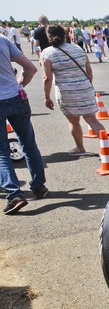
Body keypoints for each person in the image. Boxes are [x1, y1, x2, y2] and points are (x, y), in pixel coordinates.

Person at [41, 25, 106, 156]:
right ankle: (107, 147)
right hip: (85, 88)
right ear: (65, 35)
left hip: (66, 93)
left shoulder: (47, 53)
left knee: (73, 121)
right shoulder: (78, 48)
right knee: (92, 120)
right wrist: (87, 85)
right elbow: (89, 70)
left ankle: (80, 148)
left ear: (48, 37)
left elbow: (47, 78)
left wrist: (46, 96)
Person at [0, 34, 47, 215]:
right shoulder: (3, 39)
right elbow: (30, 68)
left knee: (2, 151)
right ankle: (38, 186)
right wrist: (19, 85)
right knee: (28, 143)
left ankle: (14, 194)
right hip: (16, 97)